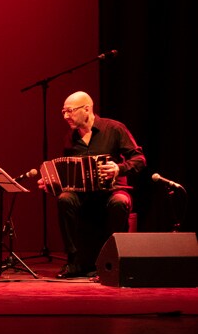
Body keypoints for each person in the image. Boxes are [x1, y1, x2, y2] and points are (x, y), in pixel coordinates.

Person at [38, 91, 146, 278]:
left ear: (87, 109)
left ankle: (112, 262)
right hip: (84, 195)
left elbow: (139, 159)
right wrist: (52, 183)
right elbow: (68, 174)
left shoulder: (114, 129)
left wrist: (119, 169)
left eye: (69, 111)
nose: (65, 116)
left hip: (113, 191)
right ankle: (74, 262)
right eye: (63, 112)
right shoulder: (70, 137)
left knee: (119, 202)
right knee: (65, 199)